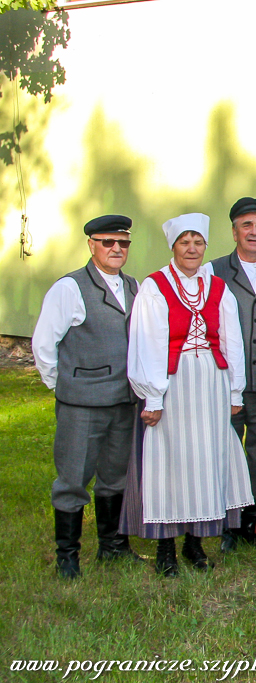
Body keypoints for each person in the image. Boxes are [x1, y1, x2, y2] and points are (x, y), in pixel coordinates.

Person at [123, 213, 253, 576]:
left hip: (210, 381)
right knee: (171, 459)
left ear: (205, 247)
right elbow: (146, 342)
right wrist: (152, 396)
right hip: (172, 383)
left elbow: (231, 340)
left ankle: (194, 544)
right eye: (185, 242)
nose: (192, 249)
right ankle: (166, 548)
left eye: (198, 242)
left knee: (206, 459)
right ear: (174, 247)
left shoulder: (217, 287)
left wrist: (235, 390)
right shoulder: (155, 287)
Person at [32, 215, 140, 578]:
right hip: (82, 403)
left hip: (123, 401)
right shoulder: (70, 288)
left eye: (122, 243)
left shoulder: (133, 286)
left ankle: (111, 546)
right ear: (91, 244)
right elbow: (44, 345)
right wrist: (63, 386)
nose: (116, 249)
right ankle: (68, 555)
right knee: (73, 479)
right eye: (107, 242)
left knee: (115, 476)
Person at [209, 197, 256, 552]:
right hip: (226, 383)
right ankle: (226, 523)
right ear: (234, 230)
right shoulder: (213, 271)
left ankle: (252, 524)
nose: (254, 232)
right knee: (225, 450)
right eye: (247, 225)